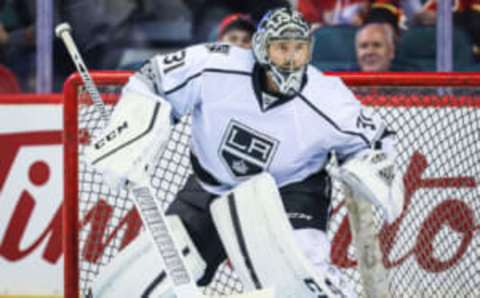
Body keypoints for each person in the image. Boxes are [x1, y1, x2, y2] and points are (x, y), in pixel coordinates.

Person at [88, 7, 397, 298]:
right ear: (261, 48)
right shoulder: (214, 64)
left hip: (291, 192)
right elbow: (151, 79)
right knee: (146, 279)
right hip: (210, 187)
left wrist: (371, 170)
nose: (290, 59)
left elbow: (377, 140)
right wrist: (132, 132)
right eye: (281, 47)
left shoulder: (329, 98)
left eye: (299, 48)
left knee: (300, 279)